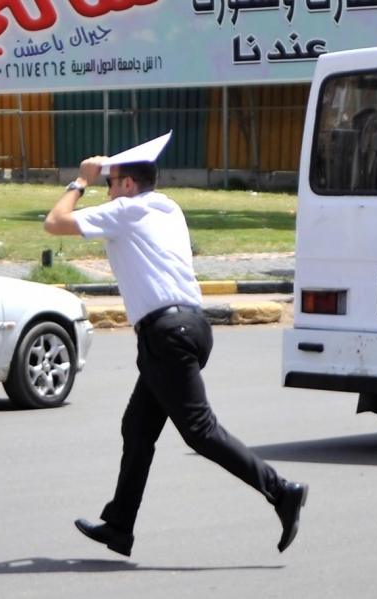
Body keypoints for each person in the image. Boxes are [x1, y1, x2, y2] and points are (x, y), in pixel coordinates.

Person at [43, 134, 308, 557]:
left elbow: (54, 222)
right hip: (190, 328)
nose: (106, 191)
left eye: (111, 183)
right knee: (137, 427)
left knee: (200, 432)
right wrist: (107, 174)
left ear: (128, 186)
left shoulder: (125, 210)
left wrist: (80, 181)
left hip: (167, 335)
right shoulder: (168, 206)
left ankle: (282, 491)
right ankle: (119, 525)